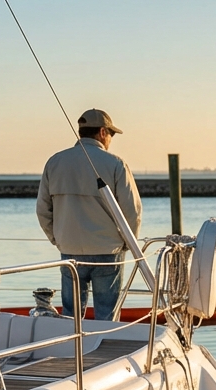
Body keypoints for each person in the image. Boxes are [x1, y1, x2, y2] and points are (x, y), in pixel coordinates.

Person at [36, 109, 141, 321]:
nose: (111, 139)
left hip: (70, 250)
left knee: (71, 316)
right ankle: (103, 349)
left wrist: (57, 239)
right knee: (106, 315)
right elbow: (133, 211)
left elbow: (43, 209)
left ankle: (72, 350)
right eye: (111, 134)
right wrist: (127, 244)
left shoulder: (54, 162)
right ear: (103, 132)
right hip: (107, 251)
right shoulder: (116, 164)